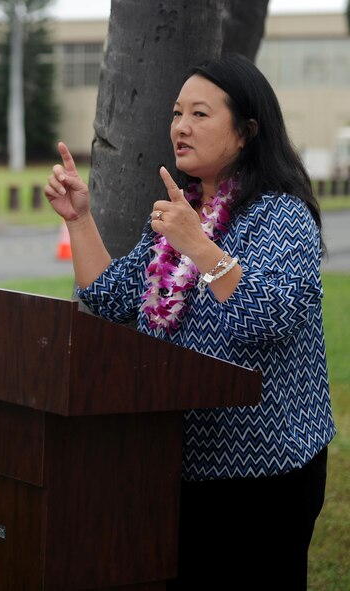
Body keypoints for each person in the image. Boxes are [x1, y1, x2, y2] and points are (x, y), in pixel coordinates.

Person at [44, 54, 335, 590]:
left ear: (247, 132)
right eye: (177, 113)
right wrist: (80, 220)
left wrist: (198, 245)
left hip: (265, 477)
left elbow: (266, 318)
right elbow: (110, 298)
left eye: (200, 114)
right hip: (176, 461)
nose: (180, 126)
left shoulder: (281, 215)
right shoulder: (183, 213)